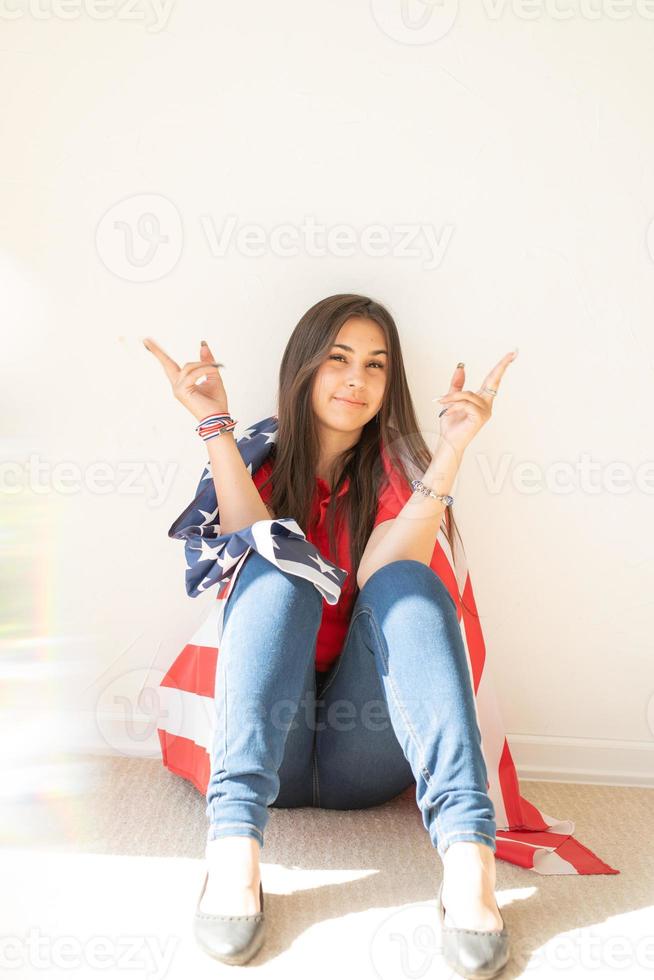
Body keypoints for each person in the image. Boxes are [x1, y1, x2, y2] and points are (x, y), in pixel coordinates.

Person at [144, 293, 517, 974]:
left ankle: (469, 859)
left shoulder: (395, 471)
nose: (356, 379)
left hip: (363, 751)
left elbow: (384, 578)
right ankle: (233, 855)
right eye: (339, 359)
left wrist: (453, 451)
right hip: (268, 748)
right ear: (305, 367)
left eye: (376, 366)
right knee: (276, 559)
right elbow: (241, 539)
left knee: (412, 584)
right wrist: (212, 424)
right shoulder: (262, 450)